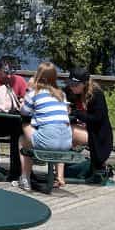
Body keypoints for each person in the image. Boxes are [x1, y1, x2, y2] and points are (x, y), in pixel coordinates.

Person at [17, 61, 72, 191]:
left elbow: (24, 111)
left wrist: (28, 92)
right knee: (53, 131)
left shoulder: (34, 93)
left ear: (38, 76)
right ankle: (59, 177)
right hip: (66, 143)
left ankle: (25, 177)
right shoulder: (61, 94)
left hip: (48, 141)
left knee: (23, 137)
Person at [65, 68, 113, 171]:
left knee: (67, 130)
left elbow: (97, 118)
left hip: (98, 135)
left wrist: (76, 113)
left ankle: (62, 163)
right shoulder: (69, 91)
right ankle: (66, 164)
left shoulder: (96, 94)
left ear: (85, 83)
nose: (72, 86)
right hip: (85, 129)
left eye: (75, 84)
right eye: (70, 83)